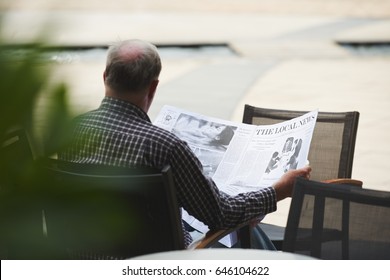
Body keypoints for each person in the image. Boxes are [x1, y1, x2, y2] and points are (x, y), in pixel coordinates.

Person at [59, 39, 311, 248]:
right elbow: (220, 215)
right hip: (160, 262)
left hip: (84, 255)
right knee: (248, 233)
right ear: (153, 87)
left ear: (105, 77)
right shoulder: (164, 146)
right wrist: (279, 190)